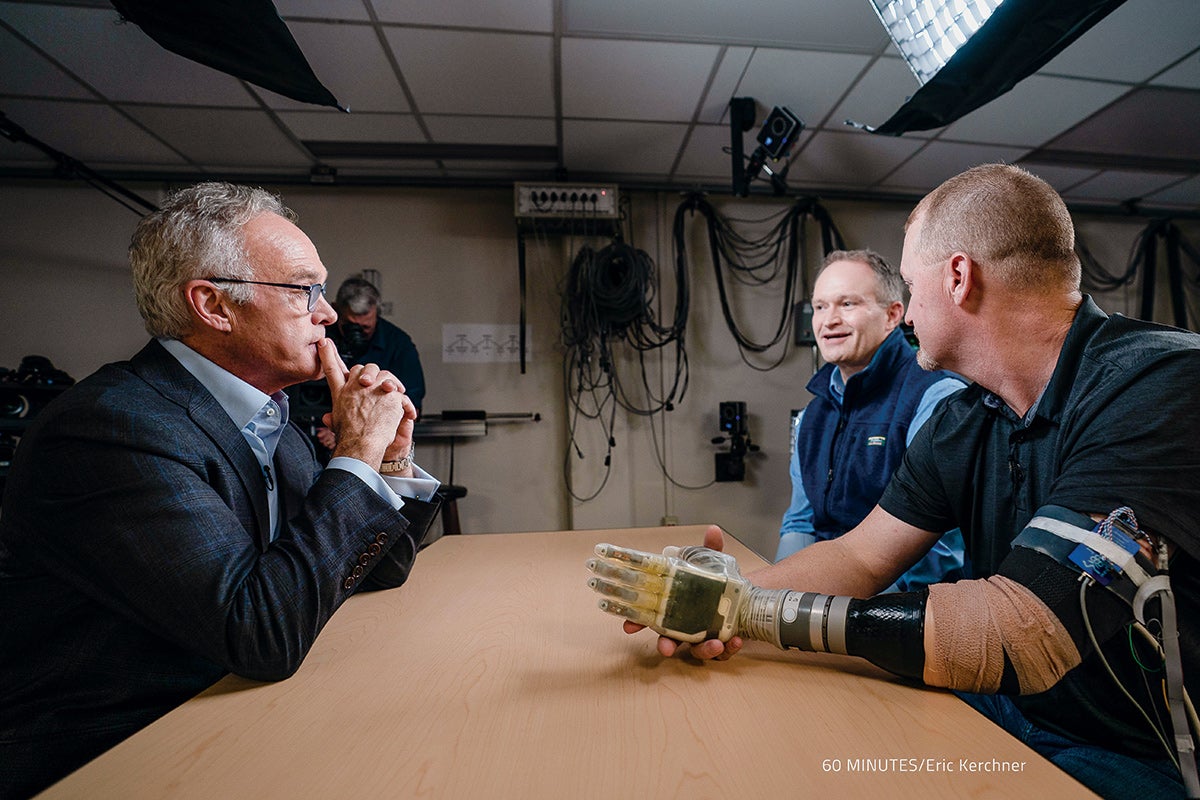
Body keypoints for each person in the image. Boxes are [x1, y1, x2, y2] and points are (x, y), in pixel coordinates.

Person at [589, 164, 1200, 800]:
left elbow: (1017, 632)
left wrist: (755, 611)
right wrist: (718, 596)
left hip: (1142, 754)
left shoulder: (1161, 384)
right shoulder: (970, 415)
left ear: (958, 278)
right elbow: (860, 555)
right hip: (1010, 710)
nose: (905, 314)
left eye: (911, 284)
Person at [0, 182, 441, 799]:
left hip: (231, 714)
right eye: (303, 290)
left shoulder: (270, 421)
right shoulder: (112, 430)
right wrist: (354, 453)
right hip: (108, 753)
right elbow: (259, 634)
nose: (328, 313)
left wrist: (388, 460)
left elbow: (376, 570)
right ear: (213, 305)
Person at [779, 249, 965, 591]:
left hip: (899, 610)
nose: (828, 320)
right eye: (820, 307)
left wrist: (848, 613)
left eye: (847, 304)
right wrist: (779, 602)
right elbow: (800, 522)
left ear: (893, 315)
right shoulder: (812, 416)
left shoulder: (936, 399)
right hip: (825, 598)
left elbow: (940, 547)